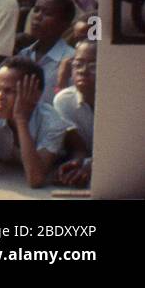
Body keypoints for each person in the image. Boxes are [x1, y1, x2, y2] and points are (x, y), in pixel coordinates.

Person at [0, 56, 66, 188]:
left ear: (35, 95)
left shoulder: (52, 123)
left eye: (9, 91)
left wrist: (20, 119)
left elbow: (35, 179)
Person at [53, 39, 95, 187]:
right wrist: (76, 163)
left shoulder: (124, 102)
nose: (83, 71)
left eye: (93, 66)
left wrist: (91, 167)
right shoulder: (64, 101)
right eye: (78, 64)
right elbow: (78, 148)